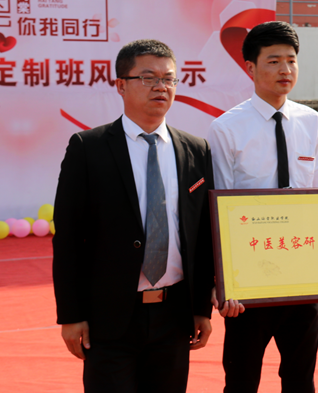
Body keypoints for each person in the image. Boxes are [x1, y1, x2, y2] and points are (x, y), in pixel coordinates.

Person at [207, 21, 318, 393]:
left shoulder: (311, 121)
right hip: (248, 283)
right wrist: (222, 282)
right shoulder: (226, 129)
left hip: (303, 276)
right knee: (241, 380)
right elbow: (219, 211)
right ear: (250, 67)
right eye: (273, 61)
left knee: (301, 379)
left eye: (291, 60)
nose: (285, 69)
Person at [52, 39, 215, 393]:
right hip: (110, 316)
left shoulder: (196, 150)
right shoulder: (88, 148)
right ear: (120, 85)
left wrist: (201, 307)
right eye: (148, 77)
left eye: (169, 79)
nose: (161, 87)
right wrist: (71, 315)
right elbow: (68, 239)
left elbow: (202, 235)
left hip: (175, 315)